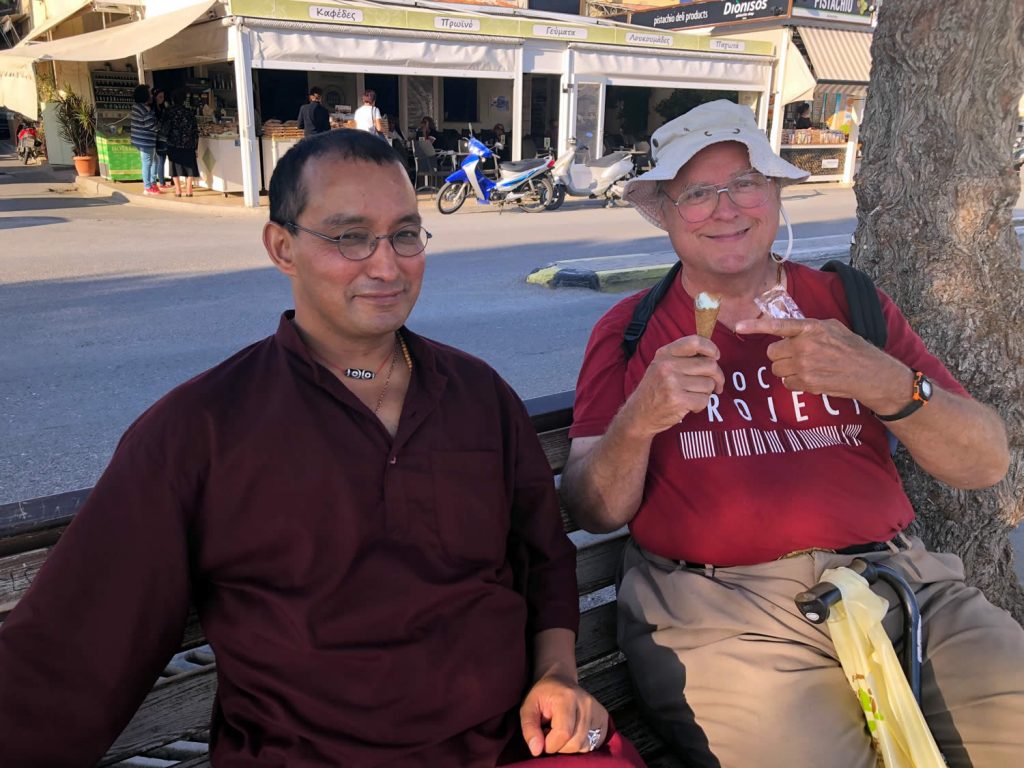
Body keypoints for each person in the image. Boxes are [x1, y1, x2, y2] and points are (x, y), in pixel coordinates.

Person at [0, 129, 646, 768]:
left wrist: (558, 673)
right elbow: (71, 653)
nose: (386, 264)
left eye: (405, 232)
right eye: (348, 237)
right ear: (282, 247)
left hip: (508, 747)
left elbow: (543, 556)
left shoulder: (478, 396)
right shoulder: (201, 431)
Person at [560, 99, 1024, 768]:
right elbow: (592, 508)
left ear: (775, 193)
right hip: (724, 615)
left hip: (903, 581)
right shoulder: (630, 329)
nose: (727, 208)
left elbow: (986, 461)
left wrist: (888, 383)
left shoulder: (848, 304)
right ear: (663, 213)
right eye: (697, 193)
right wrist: (640, 418)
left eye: (745, 182)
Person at [164, 89, 200, 198]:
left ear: (172, 100)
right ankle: (189, 189)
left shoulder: (168, 112)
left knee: (174, 166)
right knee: (190, 165)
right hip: (188, 143)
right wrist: (195, 146)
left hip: (173, 143)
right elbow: (195, 130)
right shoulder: (189, 112)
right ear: (184, 100)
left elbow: (164, 128)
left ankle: (178, 190)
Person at [130, 84, 161, 196]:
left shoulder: (136, 106)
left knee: (154, 161)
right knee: (148, 162)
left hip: (140, 140)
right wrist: (160, 127)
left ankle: (152, 183)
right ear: (145, 95)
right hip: (145, 140)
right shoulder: (145, 109)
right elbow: (150, 126)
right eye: (149, 93)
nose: (152, 95)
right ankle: (148, 186)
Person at [152, 88, 172, 188]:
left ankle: (161, 182)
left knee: (161, 159)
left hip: (162, 137)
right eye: (160, 96)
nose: (162, 99)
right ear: (154, 97)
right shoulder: (155, 110)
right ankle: (162, 182)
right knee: (160, 160)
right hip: (159, 138)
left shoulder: (161, 108)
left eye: (163, 96)